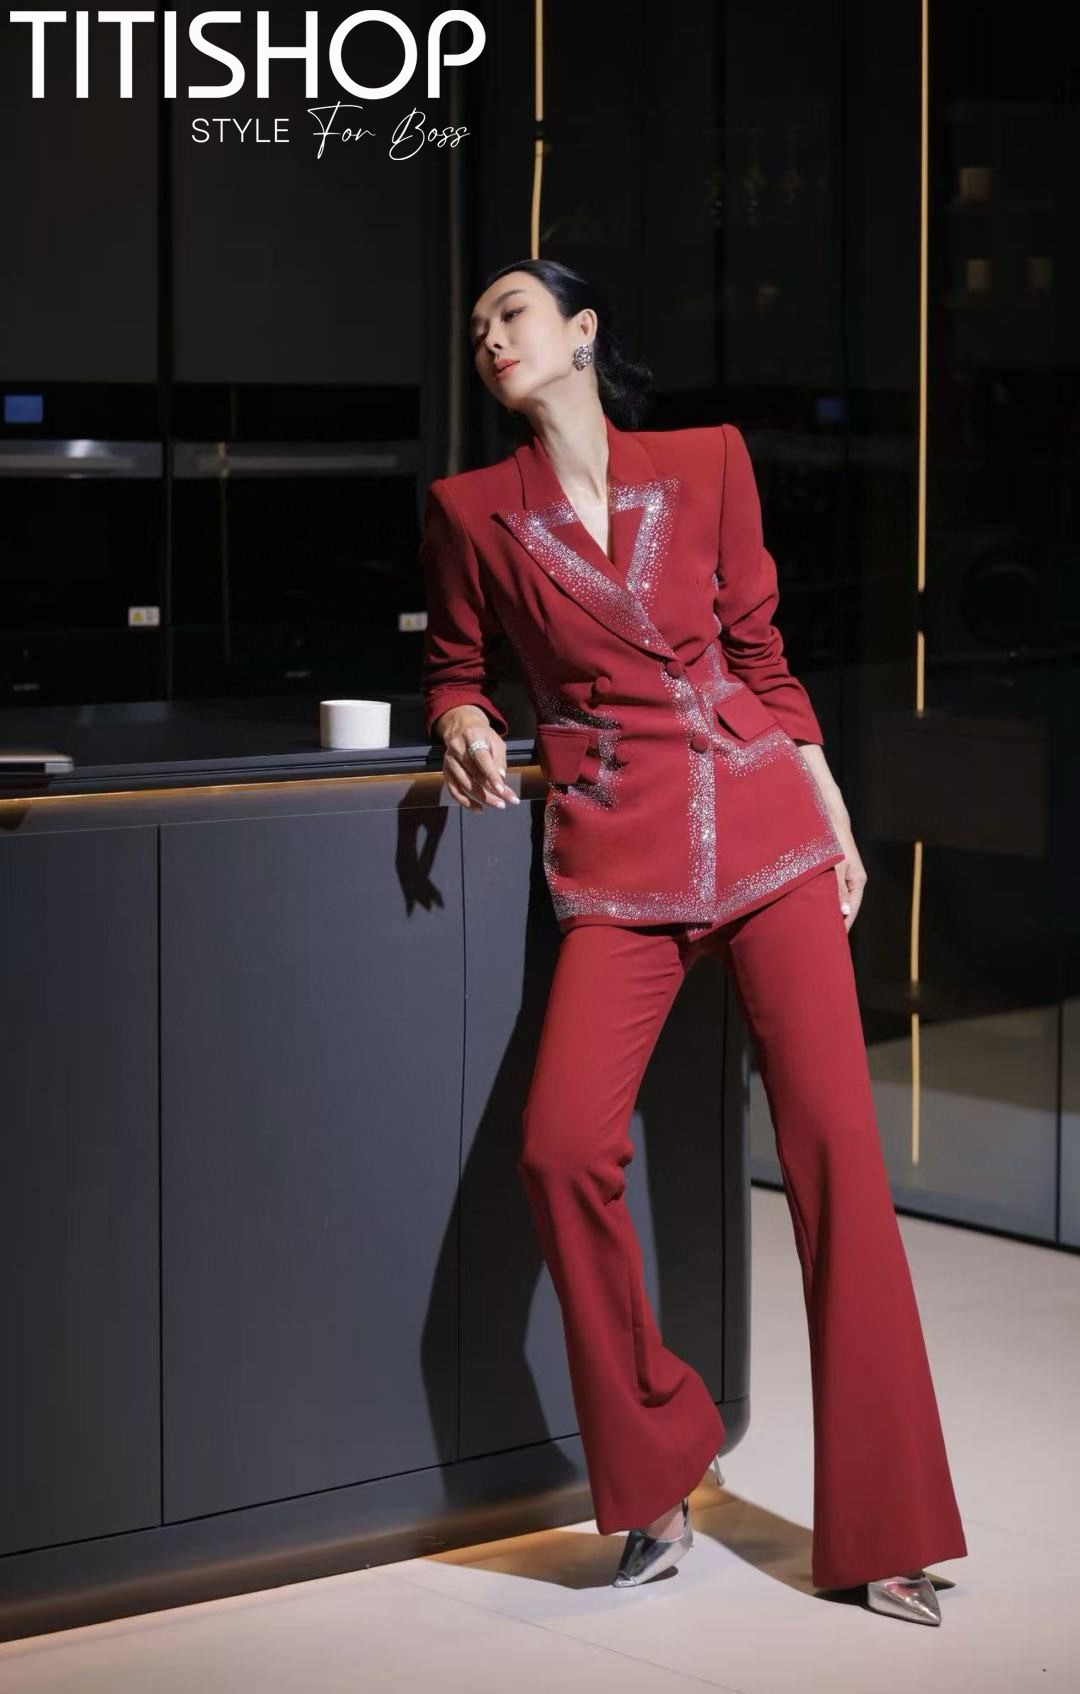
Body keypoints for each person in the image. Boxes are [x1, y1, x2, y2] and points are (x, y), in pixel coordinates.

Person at [419, 257, 967, 1626]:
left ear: (581, 332)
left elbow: (760, 653)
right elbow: (455, 664)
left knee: (837, 1158)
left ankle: (889, 1528)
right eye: (477, 327)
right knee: (561, 1149)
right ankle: (661, 1460)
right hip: (620, 856)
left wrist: (833, 808)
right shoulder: (474, 510)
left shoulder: (709, 460)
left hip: (766, 830)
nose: (491, 337)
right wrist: (461, 717)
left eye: (513, 313)